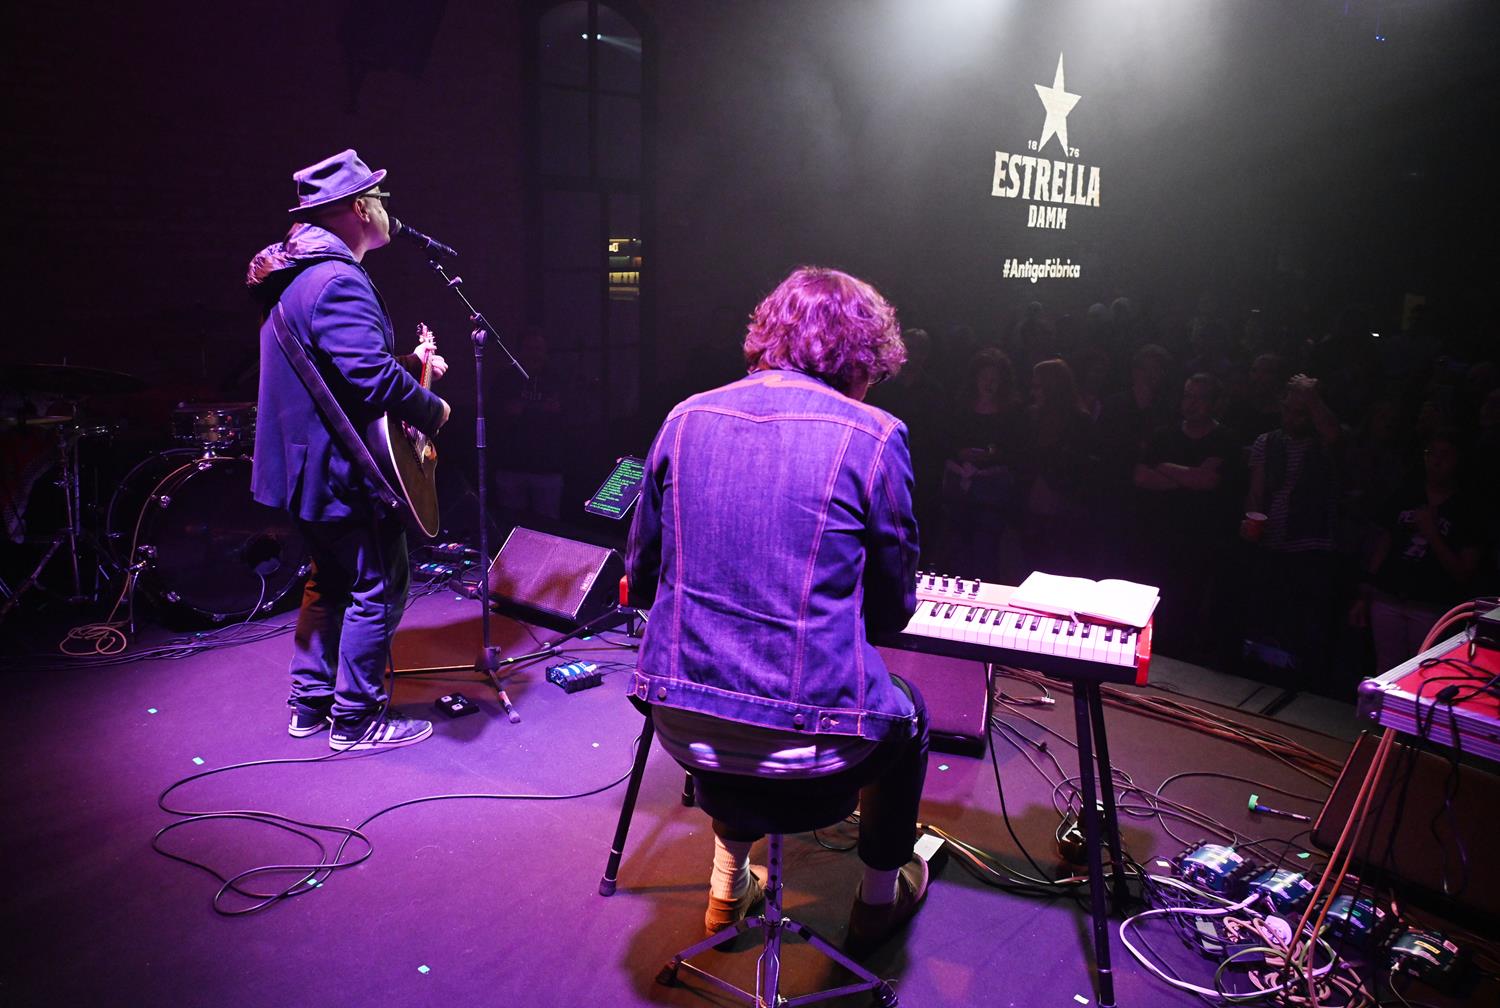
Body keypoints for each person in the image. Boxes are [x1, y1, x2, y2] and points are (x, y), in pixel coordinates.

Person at [626, 266, 930, 956]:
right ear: (861, 358)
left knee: (734, 694)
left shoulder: (684, 417)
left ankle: (727, 887)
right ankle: (877, 901)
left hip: (681, 725)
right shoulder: (876, 436)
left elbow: (641, 577)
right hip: (812, 746)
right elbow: (892, 611)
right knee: (908, 714)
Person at [248, 149, 450, 750]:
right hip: (342, 472)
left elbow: (333, 368)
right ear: (361, 208)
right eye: (381, 199)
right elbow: (368, 379)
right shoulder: (339, 280)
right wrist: (431, 407)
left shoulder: (300, 277)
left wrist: (409, 362)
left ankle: (309, 705)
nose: (388, 209)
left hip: (304, 472)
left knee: (329, 582)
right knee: (380, 586)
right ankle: (356, 719)